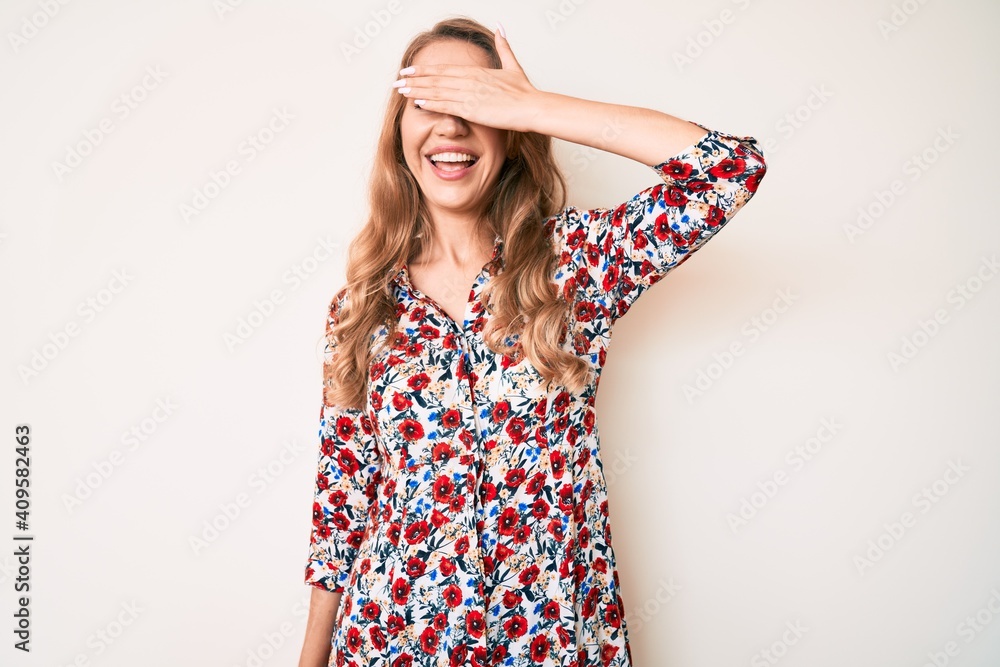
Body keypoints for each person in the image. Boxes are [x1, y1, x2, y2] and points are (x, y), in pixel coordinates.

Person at [298, 16, 767, 667]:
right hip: (390, 641)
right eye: (430, 101)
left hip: (545, 643)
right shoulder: (361, 309)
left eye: (476, 102)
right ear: (399, 132)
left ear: (511, 131)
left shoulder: (575, 264)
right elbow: (341, 501)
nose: (452, 125)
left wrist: (537, 106)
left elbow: (732, 168)